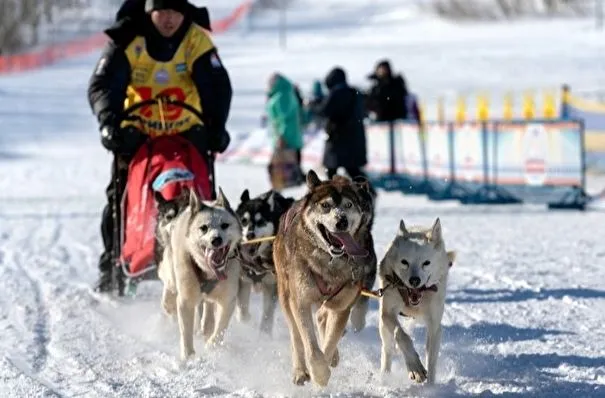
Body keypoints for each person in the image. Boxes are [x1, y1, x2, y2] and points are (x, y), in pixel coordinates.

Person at [87, 0, 233, 294]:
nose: (169, 19)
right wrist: (109, 123)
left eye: (175, 12)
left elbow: (218, 88)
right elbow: (103, 85)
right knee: (118, 197)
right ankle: (113, 261)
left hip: (185, 134)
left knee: (197, 195)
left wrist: (216, 127)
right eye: (162, 11)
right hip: (138, 133)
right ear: (148, 10)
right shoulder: (128, 39)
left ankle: (206, 258)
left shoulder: (195, 40)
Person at [318, 66, 374, 194]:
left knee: (331, 169)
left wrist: (316, 104)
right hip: (354, 138)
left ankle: (333, 194)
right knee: (353, 169)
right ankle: (367, 191)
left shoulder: (336, 93)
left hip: (338, 138)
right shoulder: (355, 92)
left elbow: (324, 111)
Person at [265, 72, 305, 182]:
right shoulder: (284, 93)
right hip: (288, 137)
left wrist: (282, 136)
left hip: (287, 139)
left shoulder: (282, 95)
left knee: (285, 172)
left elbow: (284, 119)